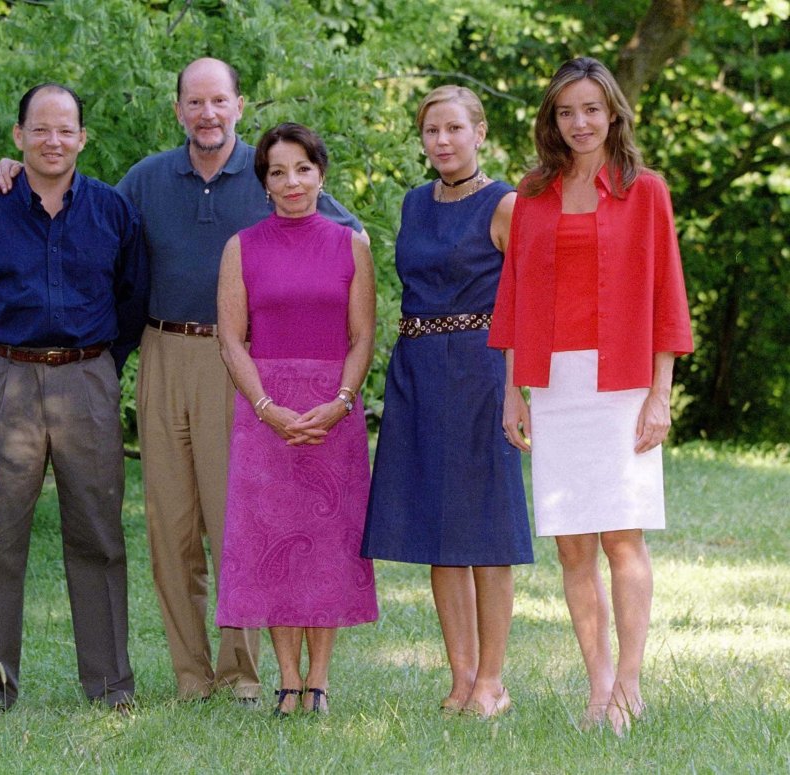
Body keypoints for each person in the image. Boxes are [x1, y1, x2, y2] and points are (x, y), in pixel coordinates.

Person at [0, 58, 361, 702]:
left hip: (238, 362)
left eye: (219, 101)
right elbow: (79, 207)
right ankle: (192, 673)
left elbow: (338, 231)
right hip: (162, 351)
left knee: (232, 517)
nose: (207, 114)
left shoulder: (269, 171)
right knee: (170, 524)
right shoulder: (147, 179)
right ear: (179, 109)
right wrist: (17, 173)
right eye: (195, 102)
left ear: (240, 104)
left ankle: (240, 672)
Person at [489, 57, 694, 735]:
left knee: (622, 536)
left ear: (613, 113)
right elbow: (515, 292)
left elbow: (667, 293)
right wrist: (515, 391)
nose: (579, 123)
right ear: (553, 119)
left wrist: (659, 393)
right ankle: (597, 683)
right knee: (573, 547)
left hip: (622, 382)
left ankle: (630, 684)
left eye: (591, 110)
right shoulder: (534, 192)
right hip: (553, 383)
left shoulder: (647, 190)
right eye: (566, 111)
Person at [0, 83, 148, 716]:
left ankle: (110, 685)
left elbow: (133, 300)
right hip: (7, 379)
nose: (53, 141)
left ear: (83, 137)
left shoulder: (112, 211)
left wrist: (101, 367)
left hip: (88, 379)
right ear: (19, 136)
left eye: (66, 130)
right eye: (40, 129)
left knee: (100, 537)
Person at [361, 86, 534, 718]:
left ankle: (492, 680)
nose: (442, 140)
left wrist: (518, 388)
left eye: (454, 129)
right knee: (439, 529)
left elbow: (524, 306)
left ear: (480, 132)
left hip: (481, 370)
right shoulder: (413, 202)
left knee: (484, 527)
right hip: (416, 370)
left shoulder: (506, 203)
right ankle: (460, 678)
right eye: (431, 130)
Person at [215, 122, 378, 716]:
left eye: (303, 169)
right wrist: (266, 407)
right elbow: (231, 340)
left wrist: (340, 401)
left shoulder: (350, 244)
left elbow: (363, 336)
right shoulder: (242, 247)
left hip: (332, 409)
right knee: (272, 544)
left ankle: (321, 681)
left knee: (328, 547)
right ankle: (287, 681)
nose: (292, 182)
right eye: (278, 171)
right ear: (264, 182)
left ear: (321, 175)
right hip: (265, 411)